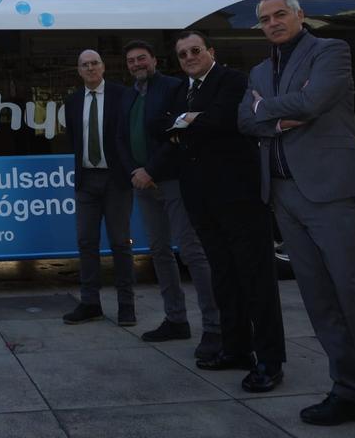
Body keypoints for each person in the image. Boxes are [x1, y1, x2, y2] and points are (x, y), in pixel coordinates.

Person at [238, 0, 355, 438]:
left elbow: (313, 102)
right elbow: (245, 120)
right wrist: (274, 115)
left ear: (299, 15)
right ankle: (351, 392)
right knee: (319, 302)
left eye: (280, 14)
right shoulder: (259, 70)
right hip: (283, 194)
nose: (273, 23)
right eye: (264, 19)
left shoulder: (330, 51)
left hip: (329, 192)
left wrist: (267, 109)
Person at [165, 30, 286, 393]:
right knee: (224, 276)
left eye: (195, 50)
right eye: (183, 54)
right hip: (202, 200)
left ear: (211, 51)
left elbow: (223, 119)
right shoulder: (182, 90)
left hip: (239, 198)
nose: (190, 57)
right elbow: (166, 126)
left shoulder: (232, 80)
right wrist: (189, 120)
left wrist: (187, 122)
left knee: (256, 280)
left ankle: (270, 361)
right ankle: (236, 349)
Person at [121, 39, 222, 358]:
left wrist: (150, 169)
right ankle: (176, 319)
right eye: (131, 61)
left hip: (173, 180)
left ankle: (215, 326)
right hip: (143, 185)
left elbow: (177, 135)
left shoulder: (173, 88)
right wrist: (135, 171)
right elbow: (120, 138)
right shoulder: (129, 96)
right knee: (159, 251)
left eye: (142, 58)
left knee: (191, 251)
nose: (137, 64)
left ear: (154, 60)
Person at [62, 49, 138, 326]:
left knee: (120, 243)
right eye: (85, 65)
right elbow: (73, 138)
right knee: (86, 242)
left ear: (103, 67)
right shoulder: (72, 101)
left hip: (116, 180)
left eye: (95, 63)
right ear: (79, 70)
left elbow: (130, 134)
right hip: (86, 181)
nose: (90, 68)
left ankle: (126, 306)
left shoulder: (123, 95)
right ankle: (90, 303)